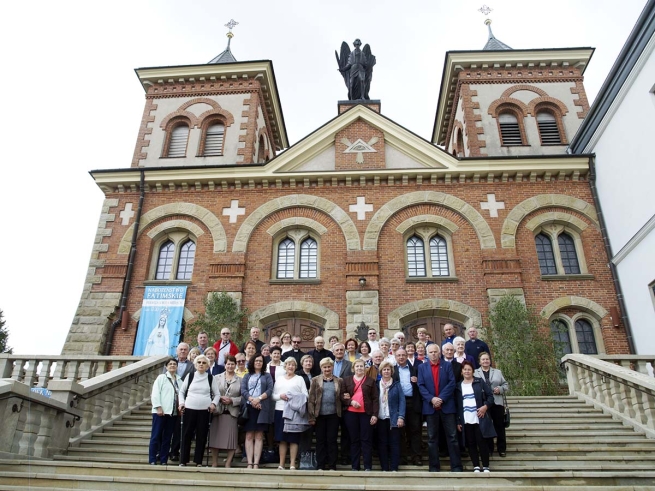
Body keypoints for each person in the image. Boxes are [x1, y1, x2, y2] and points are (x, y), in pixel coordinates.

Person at [417, 343, 462, 472]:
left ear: (439, 352)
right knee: (432, 438)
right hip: (430, 408)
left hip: (447, 406)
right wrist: (432, 399)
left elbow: (451, 383)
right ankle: (434, 466)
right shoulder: (422, 368)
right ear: (427, 354)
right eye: (430, 352)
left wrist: (441, 398)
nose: (433, 354)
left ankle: (456, 466)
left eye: (435, 352)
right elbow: (420, 386)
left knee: (452, 437)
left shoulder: (447, 366)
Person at [178, 355, 219, 467]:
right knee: (186, 434)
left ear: (207, 365)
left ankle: (198, 461)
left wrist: (213, 404)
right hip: (189, 409)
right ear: (195, 365)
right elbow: (181, 392)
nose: (201, 364)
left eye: (204, 363)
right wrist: (181, 403)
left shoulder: (211, 378)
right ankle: (183, 460)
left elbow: (217, 394)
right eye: (199, 362)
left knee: (201, 435)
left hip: (204, 411)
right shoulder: (190, 376)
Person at [341, 358, 378, 471]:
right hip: (351, 414)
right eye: (357, 366)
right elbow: (342, 396)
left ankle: (367, 466)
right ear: (353, 368)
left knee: (366, 440)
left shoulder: (370, 381)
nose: (359, 368)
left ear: (365, 368)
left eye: (361, 366)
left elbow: (375, 399)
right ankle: (355, 466)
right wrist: (350, 402)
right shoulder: (346, 380)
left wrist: (375, 414)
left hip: (366, 414)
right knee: (354, 440)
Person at [457, 360, 494, 472]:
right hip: (466, 418)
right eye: (465, 370)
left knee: (481, 442)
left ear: (472, 371)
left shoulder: (479, 381)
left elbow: (490, 396)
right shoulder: (458, 386)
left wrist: (485, 407)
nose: (467, 371)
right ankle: (476, 466)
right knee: (471, 443)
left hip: (479, 417)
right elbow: (457, 404)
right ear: (462, 372)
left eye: (469, 369)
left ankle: (486, 466)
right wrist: (458, 421)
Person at [308, 358, 343, 471]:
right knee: (320, 441)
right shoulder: (315, 380)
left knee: (332, 440)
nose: (327, 369)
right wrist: (311, 416)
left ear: (332, 367)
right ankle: (320, 465)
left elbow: (341, 397)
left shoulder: (339, 381)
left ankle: (332, 465)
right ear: (321, 368)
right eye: (324, 367)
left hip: (334, 415)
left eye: (329, 366)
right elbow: (311, 399)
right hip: (319, 415)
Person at [273, 358, 308, 469]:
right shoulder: (279, 379)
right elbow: (273, 396)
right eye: (289, 364)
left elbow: (305, 395)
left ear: (295, 366)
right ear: (285, 366)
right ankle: (281, 464)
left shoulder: (300, 379)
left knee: (293, 438)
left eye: (293, 365)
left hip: (294, 412)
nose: (291, 367)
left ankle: (293, 464)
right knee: (282, 438)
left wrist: (294, 398)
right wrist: (280, 396)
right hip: (280, 410)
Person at [240, 352, 274, 469]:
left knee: (259, 435)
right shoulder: (247, 375)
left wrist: (258, 399)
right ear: (252, 362)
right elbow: (243, 390)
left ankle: (256, 463)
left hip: (262, 407)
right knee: (249, 435)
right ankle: (250, 462)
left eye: (260, 361)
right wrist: (252, 400)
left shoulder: (267, 375)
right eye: (256, 361)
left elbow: (270, 389)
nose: (258, 362)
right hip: (249, 408)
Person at [209, 355, 241, 468]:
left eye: (232, 364)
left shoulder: (240, 380)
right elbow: (211, 393)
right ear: (225, 365)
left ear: (235, 365)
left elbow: (243, 397)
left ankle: (228, 462)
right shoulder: (216, 377)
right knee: (215, 438)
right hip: (218, 411)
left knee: (231, 440)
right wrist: (220, 398)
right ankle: (214, 462)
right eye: (228, 364)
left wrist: (232, 400)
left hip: (231, 413)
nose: (230, 366)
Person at [475, 352, 509, 457]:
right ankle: (488, 448)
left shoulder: (497, 372)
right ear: (479, 361)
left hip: (497, 402)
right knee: (486, 426)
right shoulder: (475, 372)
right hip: (483, 404)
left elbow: (506, 384)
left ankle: (501, 448)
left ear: (490, 360)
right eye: (483, 359)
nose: (485, 361)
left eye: (487, 359)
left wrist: (500, 389)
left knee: (499, 426)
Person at [149, 358, 181, 465]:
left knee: (168, 438)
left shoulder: (179, 380)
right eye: (170, 364)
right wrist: (158, 407)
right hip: (161, 412)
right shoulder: (161, 378)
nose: (172, 365)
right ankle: (153, 459)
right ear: (166, 367)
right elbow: (155, 393)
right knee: (156, 436)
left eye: (174, 364)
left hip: (173, 413)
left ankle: (163, 459)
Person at [394, 348, 423, 466]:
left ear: (407, 356)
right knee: (399, 431)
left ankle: (416, 457)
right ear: (395, 357)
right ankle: (402, 457)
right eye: (398, 355)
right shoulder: (392, 370)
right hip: (398, 403)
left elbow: (423, 385)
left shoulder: (416, 369)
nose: (401, 357)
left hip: (412, 402)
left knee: (415, 430)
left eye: (403, 355)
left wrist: (417, 381)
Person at [376, 360, 405, 471]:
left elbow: (402, 401)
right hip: (381, 418)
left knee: (394, 444)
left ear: (391, 371)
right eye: (384, 369)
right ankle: (384, 467)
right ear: (381, 371)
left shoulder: (396, 385)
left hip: (394, 419)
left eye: (388, 369)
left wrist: (401, 417)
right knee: (382, 444)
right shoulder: (377, 384)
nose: (386, 371)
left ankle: (394, 467)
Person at [169, 342, 194, 462]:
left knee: (179, 428)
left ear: (188, 351)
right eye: (181, 349)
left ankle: (174, 451)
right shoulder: (170, 363)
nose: (183, 351)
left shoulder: (192, 365)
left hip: (184, 400)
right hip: (169, 400)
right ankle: (162, 451)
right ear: (177, 351)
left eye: (185, 350)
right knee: (167, 427)